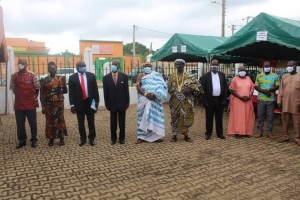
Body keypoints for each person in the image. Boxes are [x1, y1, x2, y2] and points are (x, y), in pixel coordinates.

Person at [168, 59, 200, 142]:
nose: (179, 66)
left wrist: (190, 90)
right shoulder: (171, 76)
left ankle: (186, 135)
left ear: (184, 65)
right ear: (175, 66)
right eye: (177, 64)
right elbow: (168, 88)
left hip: (186, 101)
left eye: (181, 64)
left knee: (185, 117)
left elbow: (197, 86)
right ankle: (174, 135)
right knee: (174, 117)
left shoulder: (189, 75)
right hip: (175, 100)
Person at [10, 58, 40, 148]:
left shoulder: (32, 75)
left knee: (33, 123)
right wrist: (20, 96)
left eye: (22, 63)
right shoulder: (14, 76)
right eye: (19, 63)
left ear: (26, 65)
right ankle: (22, 140)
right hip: (19, 105)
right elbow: (13, 89)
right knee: (20, 124)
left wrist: (33, 98)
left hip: (30, 104)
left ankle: (34, 139)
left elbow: (37, 88)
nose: (20, 65)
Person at [135, 62, 168, 144]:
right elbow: (138, 87)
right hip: (144, 99)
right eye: (146, 66)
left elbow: (162, 85)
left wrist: (156, 94)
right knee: (142, 118)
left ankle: (155, 136)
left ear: (151, 67)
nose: (147, 68)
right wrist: (146, 94)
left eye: (149, 66)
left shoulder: (156, 75)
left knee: (155, 118)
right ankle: (141, 137)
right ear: (143, 67)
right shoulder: (141, 76)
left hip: (155, 99)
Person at [69, 61, 99, 146]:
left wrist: (97, 101)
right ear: (77, 68)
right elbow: (71, 93)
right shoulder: (72, 78)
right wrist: (72, 105)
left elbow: (95, 89)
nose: (84, 67)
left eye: (84, 66)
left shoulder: (91, 76)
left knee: (91, 121)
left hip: (90, 102)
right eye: (82, 66)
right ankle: (83, 138)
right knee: (81, 122)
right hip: (79, 103)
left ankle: (91, 138)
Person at [40, 62, 68, 146]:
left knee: (59, 120)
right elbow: (41, 94)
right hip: (48, 104)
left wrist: (64, 85)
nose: (54, 70)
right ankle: (51, 138)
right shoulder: (44, 80)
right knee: (50, 121)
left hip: (59, 104)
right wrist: (43, 106)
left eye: (55, 68)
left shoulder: (61, 78)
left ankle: (61, 138)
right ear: (48, 69)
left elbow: (65, 92)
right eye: (52, 68)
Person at [103, 60, 130, 145]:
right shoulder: (106, 78)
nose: (113, 66)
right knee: (113, 123)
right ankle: (113, 138)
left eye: (115, 65)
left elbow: (126, 90)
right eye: (112, 65)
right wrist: (106, 103)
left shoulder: (124, 77)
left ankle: (122, 138)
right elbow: (105, 92)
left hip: (122, 103)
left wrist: (127, 102)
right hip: (112, 103)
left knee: (122, 122)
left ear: (118, 66)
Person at [201, 59, 228, 140]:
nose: (214, 66)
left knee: (219, 117)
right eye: (213, 64)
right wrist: (205, 101)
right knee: (209, 118)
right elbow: (202, 90)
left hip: (220, 100)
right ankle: (208, 133)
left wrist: (224, 99)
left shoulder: (222, 75)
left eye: (216, 65)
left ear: (218, 65)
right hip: (209, 100)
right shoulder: (205, 76)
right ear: (210, 65)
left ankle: (220, 133)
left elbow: (225, 88)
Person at [227, 66, 255, 138]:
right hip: (238, 100)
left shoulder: (249, 78)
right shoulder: (235, 79)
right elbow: (232, 90)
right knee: (238, 116)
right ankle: (237, 132)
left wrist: (249, 96)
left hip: (248, 101)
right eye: (240, 70)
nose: (242, 71)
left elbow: (252, 88)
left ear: (245, 71)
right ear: (238, 71)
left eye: (243, 70)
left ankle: (246, 132)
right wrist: (240, 97)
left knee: (247, 115)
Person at [254, 61, 280, 139]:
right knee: (260, 116)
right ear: (263, 67)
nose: (267, 67)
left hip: (271, 100)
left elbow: (277, 86)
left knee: (270, 116)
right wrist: (264, 92)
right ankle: (260, 132)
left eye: (268, 66)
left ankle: (269, 132)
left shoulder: (275, 76)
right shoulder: (259, 76)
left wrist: (269, 90)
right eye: (265, 66)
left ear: (270, 67)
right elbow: (256, 86)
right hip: (261, 99)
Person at [277, 60, 300, 146]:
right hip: (285, 101)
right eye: (287, 65)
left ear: (295, 66)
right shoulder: (284, 76)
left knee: (297, 121)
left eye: (290, 65)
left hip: (296, 102)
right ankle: (285, 136)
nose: (288, 67)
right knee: (285, 120)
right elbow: (281, 90)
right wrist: (279, 101)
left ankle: (297, 138)